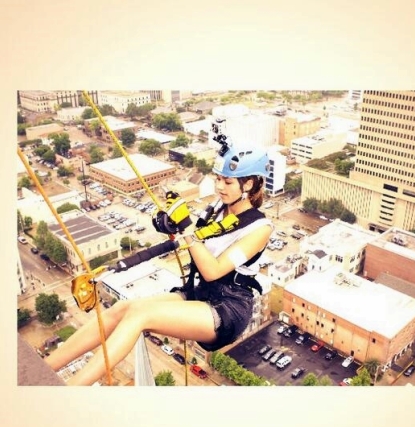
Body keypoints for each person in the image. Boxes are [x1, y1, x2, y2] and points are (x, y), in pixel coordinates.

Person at [45, 143, 273, 385]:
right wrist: (170, 224)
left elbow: (213, 270)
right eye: (217, 179)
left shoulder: (260, 228)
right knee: (122, 309)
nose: (218, 187)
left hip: (228, 309)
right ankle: (47, 367)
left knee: (141, 316)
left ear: (248, 184)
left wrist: (185, 226)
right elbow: (194, 244)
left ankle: (72, 388)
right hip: (201, 294)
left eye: (227, 182)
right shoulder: (218, 210)